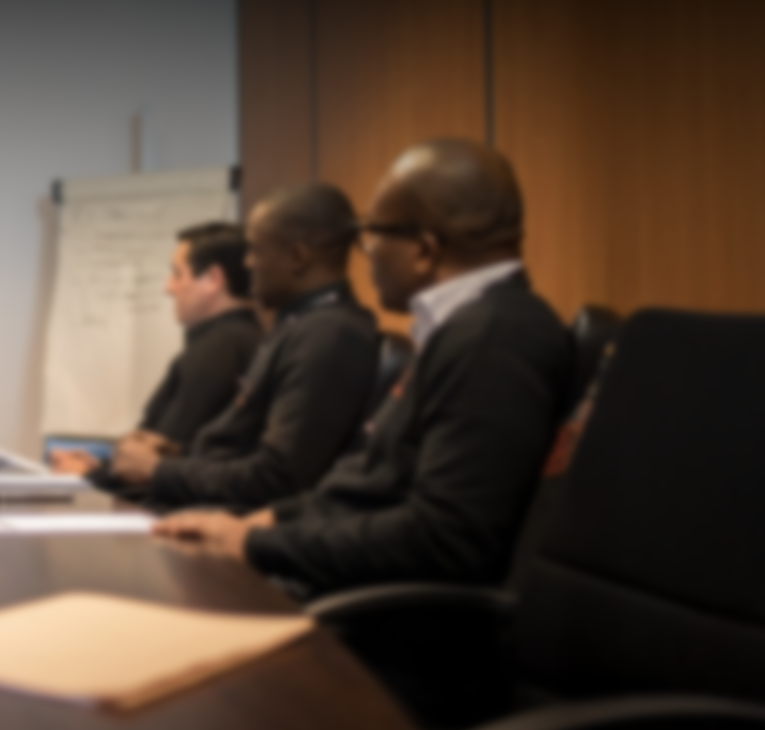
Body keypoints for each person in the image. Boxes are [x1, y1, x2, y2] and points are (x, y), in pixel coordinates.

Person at [155, 139, 573, 597]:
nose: (365, 251)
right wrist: (267, 522)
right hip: (341, 576)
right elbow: (369, 486)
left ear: (423, 250)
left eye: (373, 234)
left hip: (382, 616)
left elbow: (444, 538)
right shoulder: (469, 329)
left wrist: (257, 544)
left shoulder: (494, 339)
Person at [102, 183, 379, 510]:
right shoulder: (299, 328)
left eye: (256, 251)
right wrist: (177, 455)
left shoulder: (328, 336)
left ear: (297, 256)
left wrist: (159, 470)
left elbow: (276, 478)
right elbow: (241, 451)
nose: (247, 263)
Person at [49, 222, 264, 484]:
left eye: (177, 274)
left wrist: (90, 475)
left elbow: (160, 461)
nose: (168, 287)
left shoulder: (217, 350)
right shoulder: (247, 340)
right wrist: (102, 468)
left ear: (213, 280)